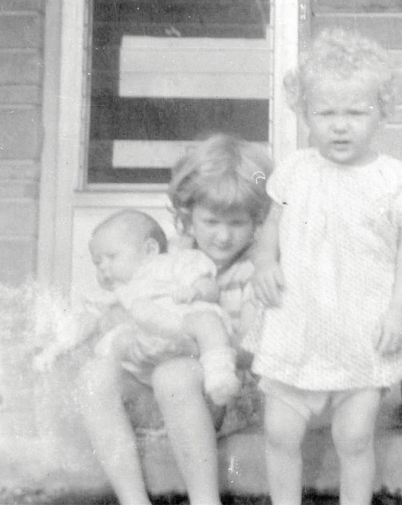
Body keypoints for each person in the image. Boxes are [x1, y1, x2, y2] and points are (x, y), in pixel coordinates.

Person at [249, 28, 402, 505]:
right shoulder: (294, 170)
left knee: (354, 438)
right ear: (304, 113)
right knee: (280, 433)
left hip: (362, 330)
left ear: (382, 112)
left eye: (356, 112)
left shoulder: (394, 179)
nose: (340, 125)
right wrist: (265, 261)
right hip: (298, 326)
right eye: (326, 113)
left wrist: (399, 310)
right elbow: (270, 229)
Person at [74, 134, 271, 505]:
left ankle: (204, 500)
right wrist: (130, 337)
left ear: (257, 221)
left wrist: (194, 343)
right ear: (187, 215)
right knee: (94, 375)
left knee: (174, 373)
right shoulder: (170, 258)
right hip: (160, 382)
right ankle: (132, 499)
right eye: (211, 221)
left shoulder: (254, 271)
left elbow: (252, 350)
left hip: (226, 393)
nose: (224, 236)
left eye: (237, 223)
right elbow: (130, 306)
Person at [34, 208, 241, 406]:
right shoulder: (115, 292)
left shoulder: (175, 263)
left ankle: (219, 377)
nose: (103, 267)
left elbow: (209, 288)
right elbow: (86, 321)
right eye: (97, 262)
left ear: (150, 250)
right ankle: (116, 441)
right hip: (142, 346)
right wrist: (56, 347)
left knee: (208, 320)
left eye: (111, 257)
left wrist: (196, 291)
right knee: (104, 357)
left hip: (182, 330)